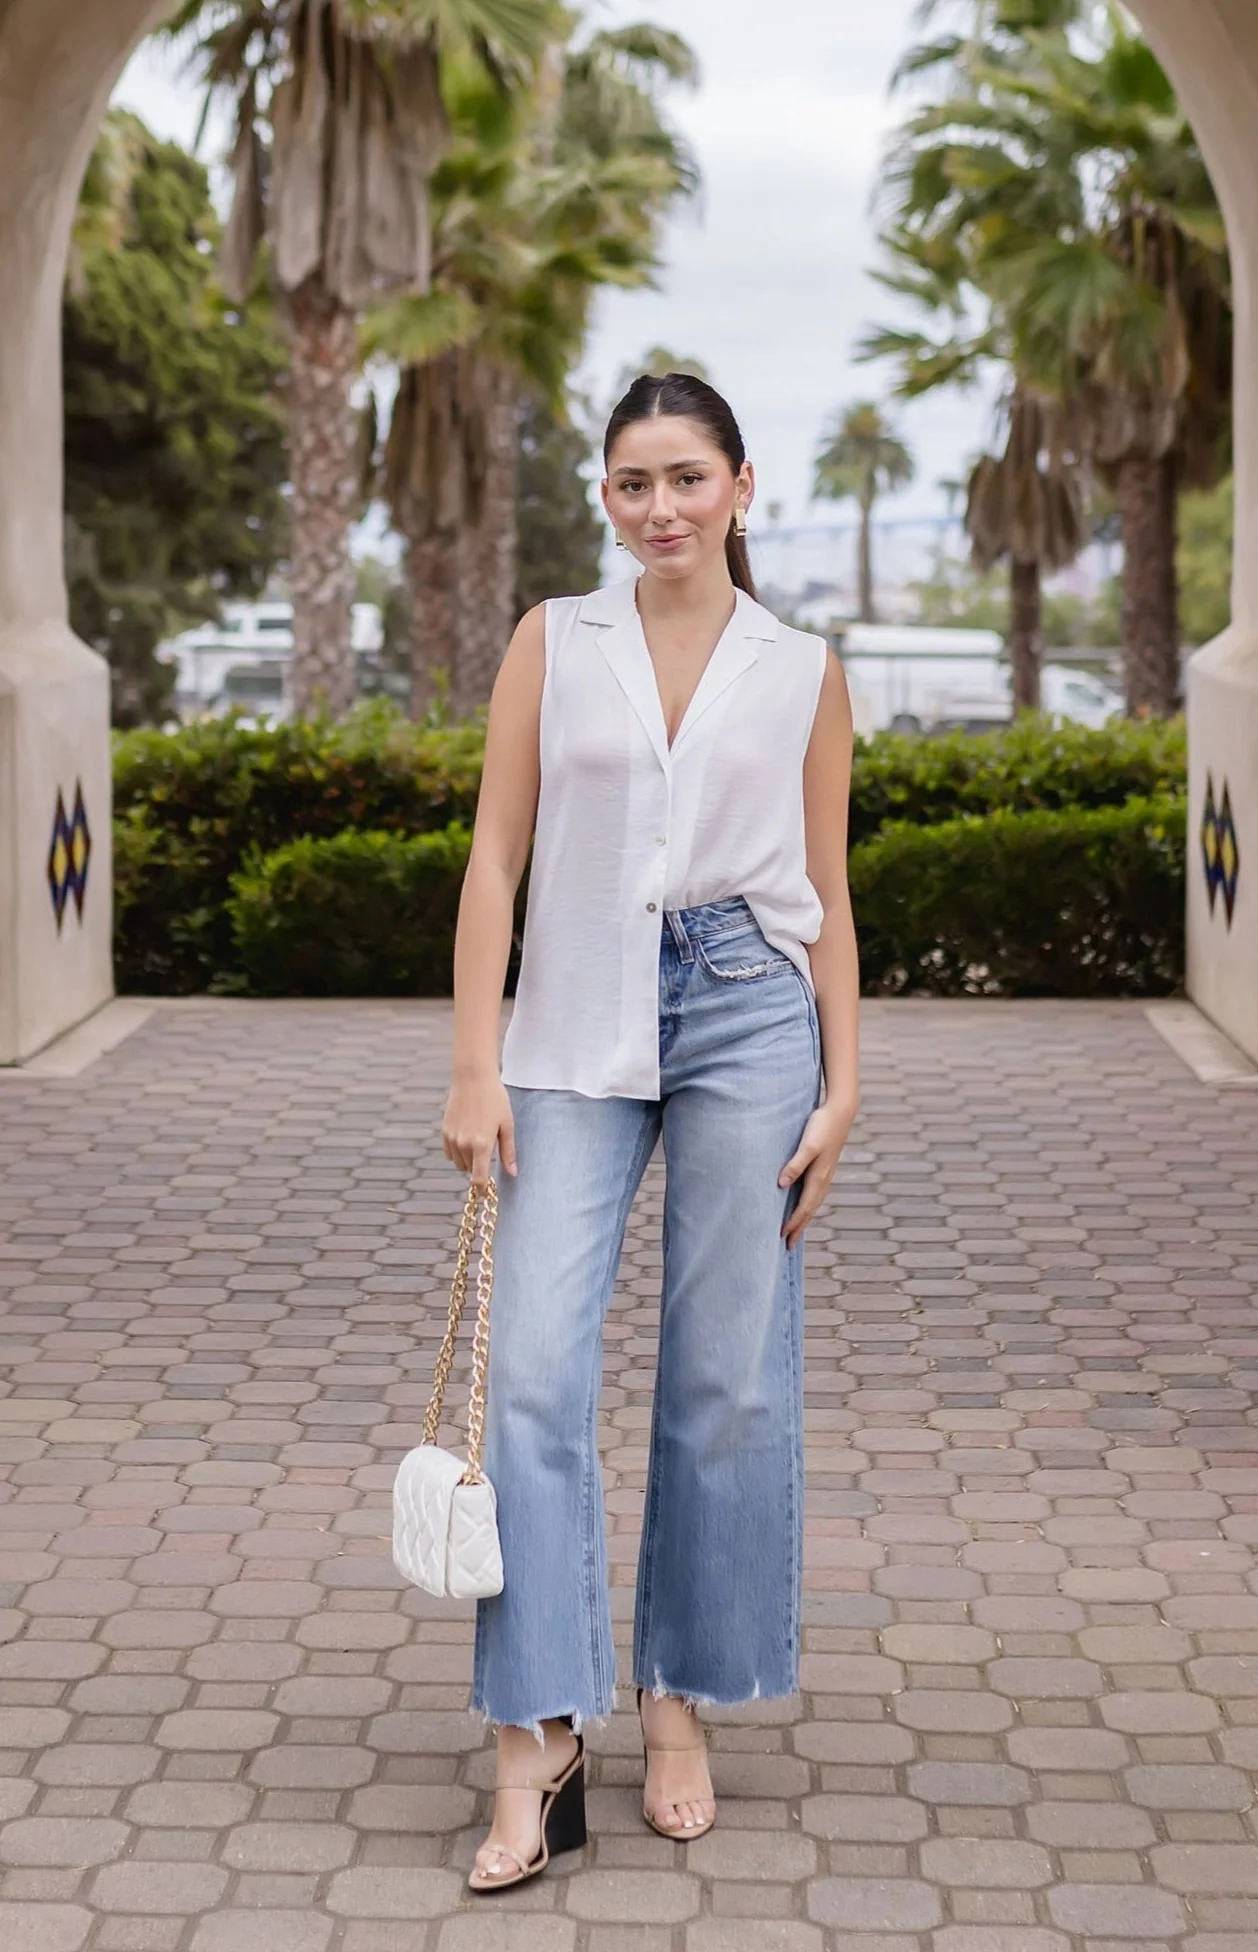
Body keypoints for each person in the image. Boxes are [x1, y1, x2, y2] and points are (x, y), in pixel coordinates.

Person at [442, 371, 860, 1892]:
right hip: (571, 1018)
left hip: (751, 1007)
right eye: (633, 482)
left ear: (742, 487)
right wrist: (473, 1062)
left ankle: (677, 1694)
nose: (661, 507)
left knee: (722, 1374)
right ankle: (539, 1731)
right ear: (606, 497)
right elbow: (496, 857)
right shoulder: (554, 640)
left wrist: (844, 1084)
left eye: (688, 477)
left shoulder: (801, 668)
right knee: (532, 1374)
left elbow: (827, 889)